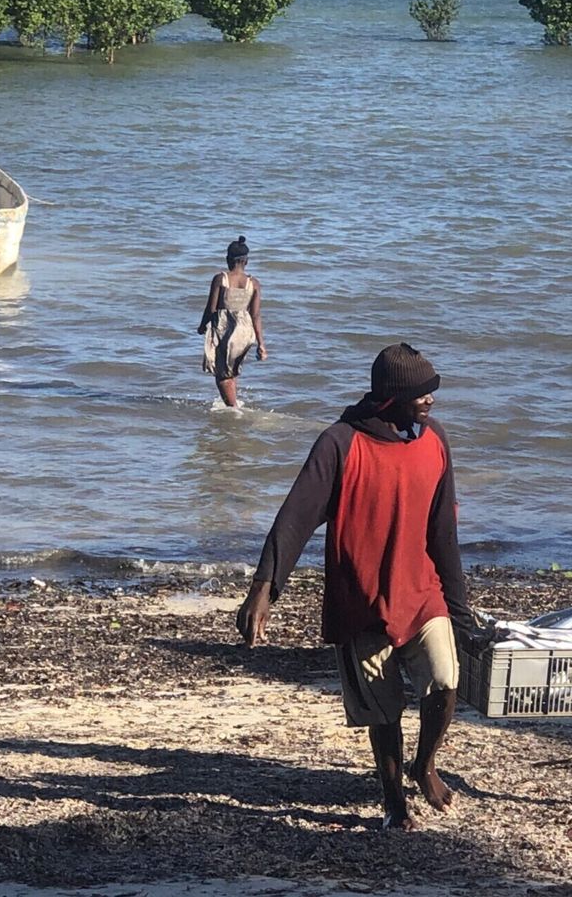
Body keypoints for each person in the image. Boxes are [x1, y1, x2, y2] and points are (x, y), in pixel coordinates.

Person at [237, 343, 469, 830]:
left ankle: (424, 765)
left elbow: (443, 532)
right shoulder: (340, 443)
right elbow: (296, 518)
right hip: (361, 600)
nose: (430, 401)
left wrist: (459, 607)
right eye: (420, 394)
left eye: (432, 393)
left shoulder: (435, 440)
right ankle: (393, 803)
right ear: (389, 397)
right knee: (384, 711)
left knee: (446, 683)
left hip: (422, 593)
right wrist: (266, 586)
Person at [197, 236, 266, 408]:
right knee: (231, 371)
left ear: (228, 259)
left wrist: (202, 326)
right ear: (246, 261)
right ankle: (233, 404)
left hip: (225, 328)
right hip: (245, 331)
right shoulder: (254, 283)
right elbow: (256, 315)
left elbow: (211, 308)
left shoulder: (221, 279)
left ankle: (233, 409)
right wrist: (261, 344)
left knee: (221, 374)